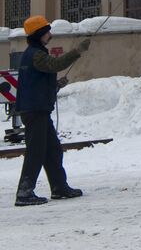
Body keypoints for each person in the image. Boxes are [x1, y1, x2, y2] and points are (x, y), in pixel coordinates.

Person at [14, 16, 90, 207]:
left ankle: (59, 187)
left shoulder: (32, 54)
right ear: (40, 34)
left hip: (36, 109)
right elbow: (55, 65)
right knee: (36, 151)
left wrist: (56, 85)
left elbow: (37, 81)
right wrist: (77, 51)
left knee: (52, 149)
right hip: (35, 110)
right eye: (47, 31)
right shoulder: (36, 55)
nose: (50, 35)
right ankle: (24, 192)